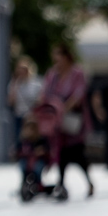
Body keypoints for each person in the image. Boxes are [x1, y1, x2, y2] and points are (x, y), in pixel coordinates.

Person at [42, 43, 94, 198]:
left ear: (66, 57)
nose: (56, 61)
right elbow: (45, 93)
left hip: (73, 120)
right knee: (61, 152)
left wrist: (63, 109)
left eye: (58, 57)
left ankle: (88, 181)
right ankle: (61, 184)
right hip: (57, 122)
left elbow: (78, 94)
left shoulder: (77, 73)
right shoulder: (53, 75)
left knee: (77, 153)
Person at [7, 56, 42, 142]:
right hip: (19, 116)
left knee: (33, 141)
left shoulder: (36, 83)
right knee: (19, 141)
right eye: (19, 69)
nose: (21, 71)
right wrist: (15, 86)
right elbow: (10, 102)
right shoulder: (14, 83)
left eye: (24, 69)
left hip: (32, 117)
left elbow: (40, 100)